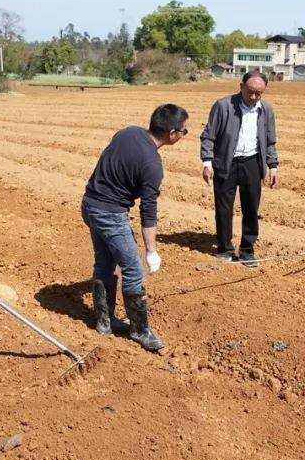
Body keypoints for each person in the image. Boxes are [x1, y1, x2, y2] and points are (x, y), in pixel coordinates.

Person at [81, 104, 188, 352]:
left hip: (89, 204)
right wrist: (151, 251)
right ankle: (140, 330)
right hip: (109, 214)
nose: (183, 135)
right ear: (172, 134)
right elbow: (148, 211)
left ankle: (104, 323)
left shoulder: (128, 132)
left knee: (104, 263)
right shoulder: (152, 164)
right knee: (133, 270)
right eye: (184, 131)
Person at [199, 70, 279, 266]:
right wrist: (207, 162)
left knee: (251, 208)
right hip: (226, 162)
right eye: (250, 91)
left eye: (258, 93)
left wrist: (273, 166)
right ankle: (225, 248)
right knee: (224, 208)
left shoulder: (265, 110)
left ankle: (246, 251)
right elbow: (208, 136)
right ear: (241, 87)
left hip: (252, 163)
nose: (253, 97)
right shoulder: (223, 106)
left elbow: (270, 141)